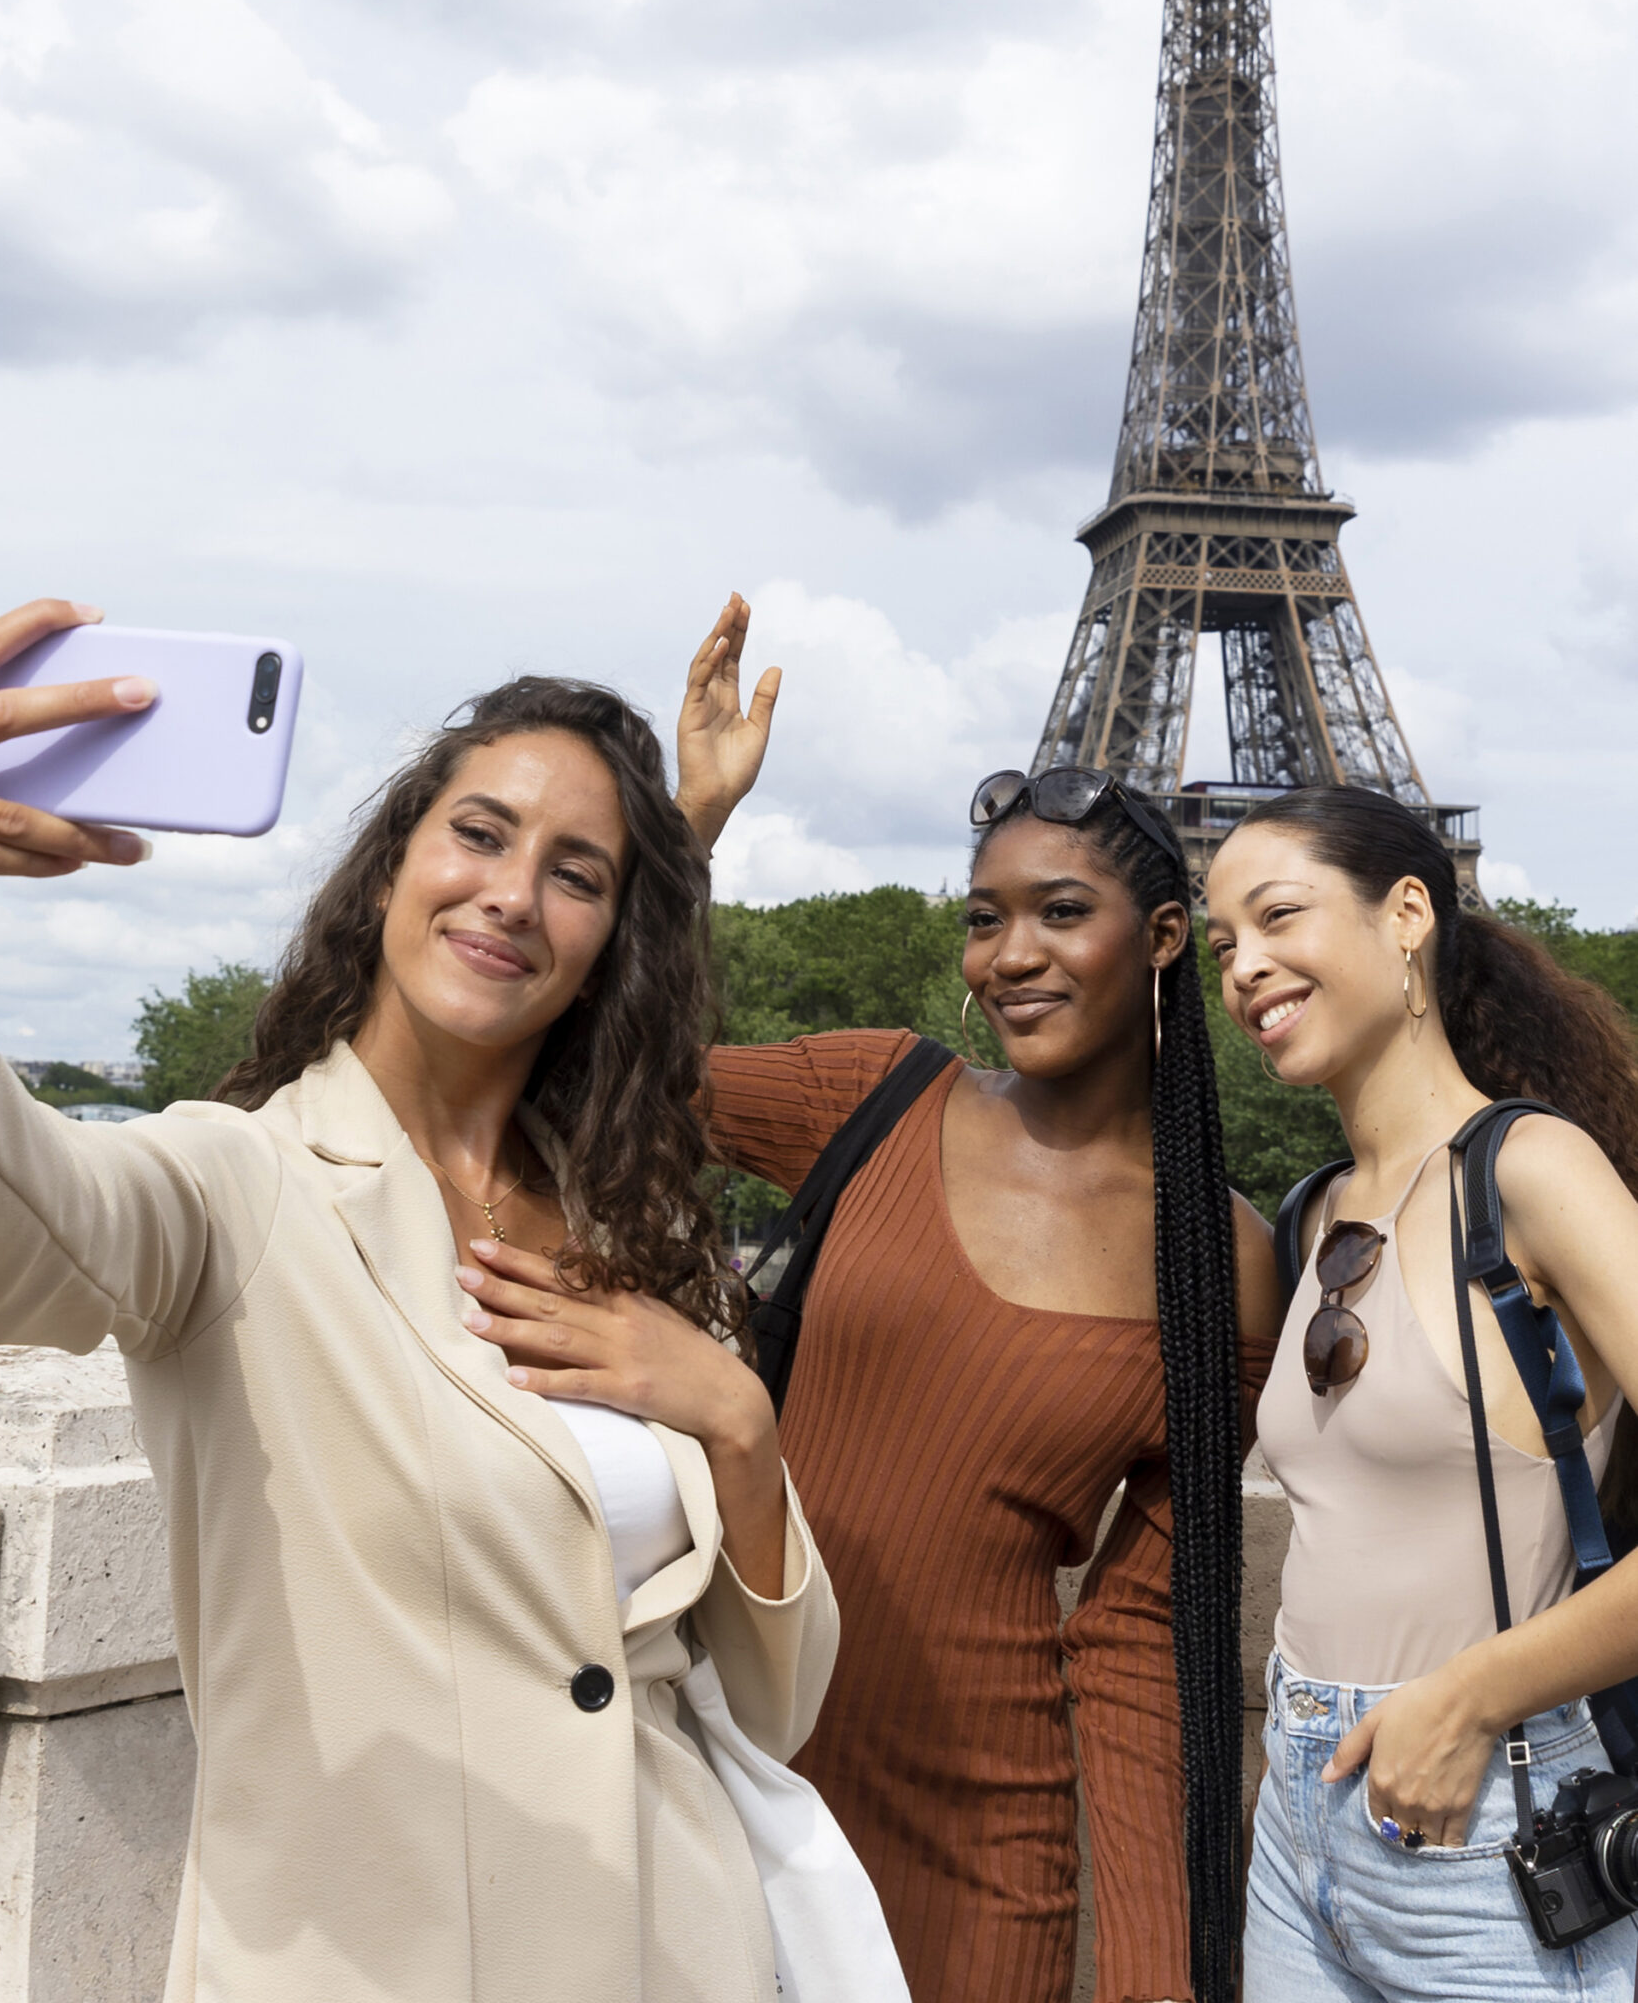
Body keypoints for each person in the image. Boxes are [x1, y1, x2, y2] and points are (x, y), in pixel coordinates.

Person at [0, 596, 862, 2003]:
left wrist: (735, 1418)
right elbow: (14, 1226)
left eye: (576, 875)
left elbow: (772, 1704)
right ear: (387, 871)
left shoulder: (638, 1227)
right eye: (478, 835)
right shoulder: (244, 1185)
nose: (510, 893)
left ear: (614, 937)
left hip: (680, 1948)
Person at [488, 606, 1282, 2002]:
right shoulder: (872, 1094)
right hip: (730, 1761)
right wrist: (684, 833)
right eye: (984, 919)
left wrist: (1159, 1980)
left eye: (1058, 914)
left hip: (986, 1840)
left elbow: (1140, 1640)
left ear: (1163, 936)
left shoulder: (1220, 1261)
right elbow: (571, 1062)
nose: (1009, 954)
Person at [1203, 786, 1638, 2002]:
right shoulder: (1312, 1213)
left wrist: (1470, 1695)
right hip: (1296, 1813)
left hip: (1489, 1807)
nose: (1245, 967)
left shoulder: (1533, 1172)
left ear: (1407, 915)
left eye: (1279, 914)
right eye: (1224, 942)